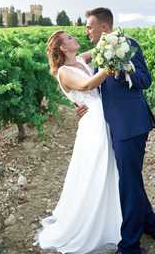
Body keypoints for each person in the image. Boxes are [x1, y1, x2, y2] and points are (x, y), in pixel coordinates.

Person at [75, 8, 155, 254]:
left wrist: (123, 71)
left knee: (129, 183)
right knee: (131, 179)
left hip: (131, 125)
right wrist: (85, 108)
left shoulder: (128, 45)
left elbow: (145, 80)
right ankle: (152, 226)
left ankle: (130, 246)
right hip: (111, 125)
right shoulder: (98, 53)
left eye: (89, 26)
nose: (86, 31)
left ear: (104, 27)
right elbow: (96, 89)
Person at [33, 30, 123, 253]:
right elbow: (86, 86)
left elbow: (100, 48)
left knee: (110, 167)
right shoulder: (63, 71)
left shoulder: (81, 59)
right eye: (70, 38)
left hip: (104, 116)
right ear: (63, 48)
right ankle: (97, 222)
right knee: (98, 168)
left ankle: (117, 215)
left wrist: (115, 42)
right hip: (93, 122)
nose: (75, 38)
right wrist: (109, 68)